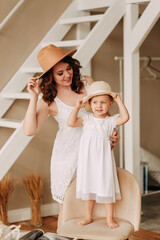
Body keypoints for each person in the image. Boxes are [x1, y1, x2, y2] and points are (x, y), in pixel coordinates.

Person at [23, 44, 120, 228]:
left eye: (68, 68)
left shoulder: (88, 83)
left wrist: (114, 135)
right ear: (50, 76)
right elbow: (29, 130)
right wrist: (33, 97)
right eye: (60, 73)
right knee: (66, 207)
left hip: (94, 151)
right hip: (67, 156)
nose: (67, 75)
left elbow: (104, 114)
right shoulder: (48, 100)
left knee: (97, 202)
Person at [68, 81, 129, 229]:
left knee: (107, 185)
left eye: (103, 102)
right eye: (95, 102)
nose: (99, 105)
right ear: (89, 103)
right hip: (88, 160)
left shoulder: (110, 121)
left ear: (109, 104)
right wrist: (77, 108)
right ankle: (88, 216)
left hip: (103, 160)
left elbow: (125, 118)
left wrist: (119, 101)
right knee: (89, 187)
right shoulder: (87, 119)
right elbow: (71, 123)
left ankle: (109, 218)